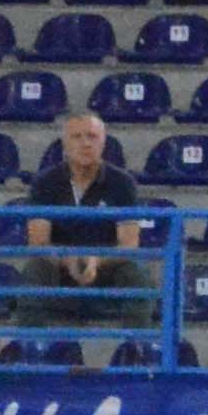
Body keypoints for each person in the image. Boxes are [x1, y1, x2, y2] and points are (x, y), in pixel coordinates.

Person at [22, 113, 142, 328]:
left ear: (103, 142)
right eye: (77, 137)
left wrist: (96, 261)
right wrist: (68, 260)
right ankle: (30, 344)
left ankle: (137, 345)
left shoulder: (123, 183)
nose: (85, 143)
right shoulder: (45, 182)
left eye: (92, 136)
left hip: (106, 269)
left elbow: (129, 244)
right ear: (65, 144)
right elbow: (38, 243)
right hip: (59, 268)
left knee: (136, 274)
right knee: (35, 269)